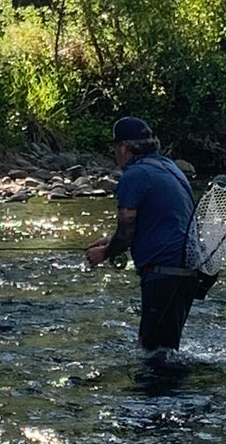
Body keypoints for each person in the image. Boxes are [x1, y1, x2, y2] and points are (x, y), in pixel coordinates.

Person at [85, 116, 198, 359]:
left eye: (115, 148)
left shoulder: (134, 176)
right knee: (166, 349)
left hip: (162, 271)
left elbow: (127, 233)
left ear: (124, 147)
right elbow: (157, 223)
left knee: (151, 353)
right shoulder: (170, 168)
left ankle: (156, 397)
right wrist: (111, 240)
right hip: (187, 270)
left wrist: (104, 253)